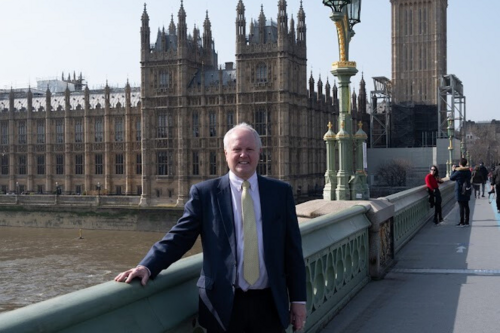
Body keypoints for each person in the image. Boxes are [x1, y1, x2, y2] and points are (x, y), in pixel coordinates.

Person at [114, 123, 307, 333]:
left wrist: (298, 300)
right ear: (226, 153)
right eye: (237, 149)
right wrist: (147, 266)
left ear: (259, 152)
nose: (244, 155)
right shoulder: (205, 193)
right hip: (222, 305)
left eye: (250, 149)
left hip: (270, 303)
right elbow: (180, 237)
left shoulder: (280, 192)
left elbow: (293, 252)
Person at [450, 158, 472, 227]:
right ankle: (467, 222)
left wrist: (453, 170)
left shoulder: (458, 172)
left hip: (459, 190)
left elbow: (451, 178)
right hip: (467, 189)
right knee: (466, 206)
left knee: (461, 206)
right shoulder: (468, 171)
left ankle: (461, 222)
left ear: (460, 164)